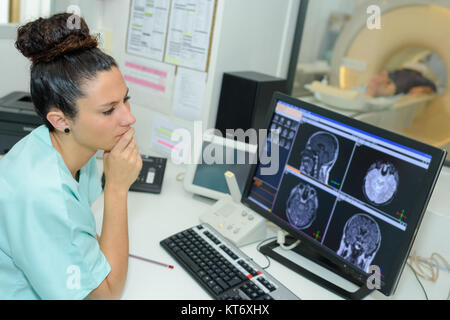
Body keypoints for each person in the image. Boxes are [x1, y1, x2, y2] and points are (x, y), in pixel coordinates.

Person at [0, 13, 142, 299]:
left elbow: (81, 235)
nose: (129, 118)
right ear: (61, 120)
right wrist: (117, 189)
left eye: (125, 99)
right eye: (108, 110)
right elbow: (106, 295)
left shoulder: (65, 148)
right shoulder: (43, 193)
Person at [365, 65, 437, 97]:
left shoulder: (398, 72)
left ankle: (382, 85)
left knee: (389, 81)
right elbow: (433, 87)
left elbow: (433, 87)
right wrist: (423, 89)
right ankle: (384, 86)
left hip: (393, 82)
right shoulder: (417, 77)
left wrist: (422, 89)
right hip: (396, 84)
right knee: (393, 85)